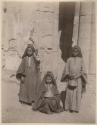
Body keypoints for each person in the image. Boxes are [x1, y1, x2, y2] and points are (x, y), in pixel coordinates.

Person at [61, 45, 87, 113]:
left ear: (79, 52)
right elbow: (66, 69)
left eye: (76, 51)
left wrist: (78, 75)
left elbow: (83, 70)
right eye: (74, 51)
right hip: (70, 79)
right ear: (72, 51)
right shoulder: (69, 59)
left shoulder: (81, 60)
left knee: (77, 94)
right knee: (70, 93)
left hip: (78, 80)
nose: (75, 52)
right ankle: (68, 107)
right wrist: (69, 75)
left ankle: (75, 108)